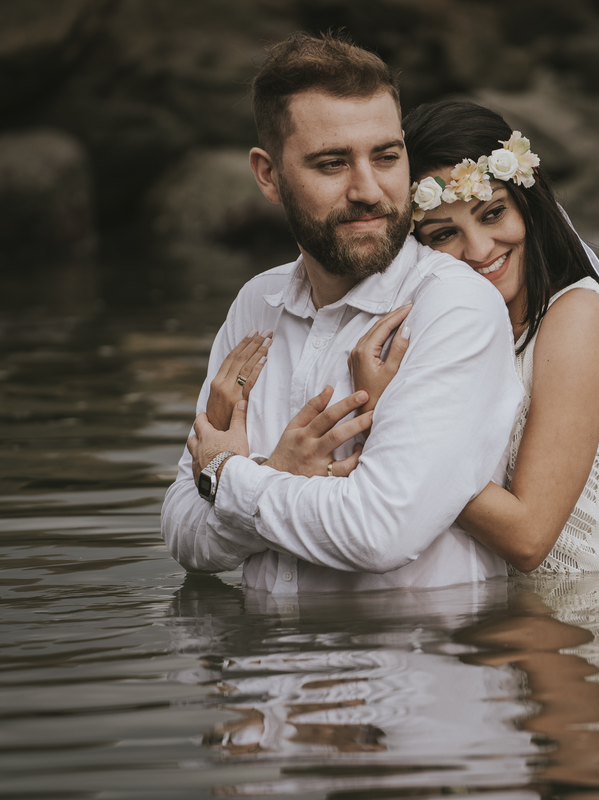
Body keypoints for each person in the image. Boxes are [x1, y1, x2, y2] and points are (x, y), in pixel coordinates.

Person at [219, 100, 599, 575]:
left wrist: (386, 413)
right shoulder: (441, 326)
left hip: (587, 622)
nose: (479, 250)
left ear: (528, 207)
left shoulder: (577, 320)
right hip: (499, 618)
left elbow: (529, 538)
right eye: (444, 233)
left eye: (492, 214)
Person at [161, 34, 524, 593]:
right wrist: (274, 477)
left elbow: (381, 533)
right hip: (266, 665)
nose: (368, 189)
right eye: (332, 163)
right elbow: (184, 535)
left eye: (386, 157)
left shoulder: (452, 305)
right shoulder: (257, 303)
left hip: (406, 665)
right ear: (268, 175)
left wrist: (231, 478)